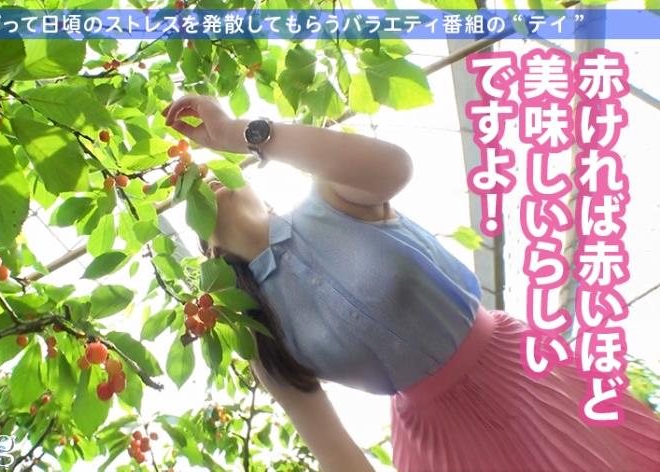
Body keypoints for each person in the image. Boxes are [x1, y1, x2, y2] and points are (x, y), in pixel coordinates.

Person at [162, 95, 660, 472]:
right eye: (190, 195)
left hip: (519, 375)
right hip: (440, 445)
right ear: (207, 252)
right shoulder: (256, 333)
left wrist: (234, 132)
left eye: (217, 171)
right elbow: (336, 454)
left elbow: (394, 167)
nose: (205, 179)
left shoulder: (331, 199)